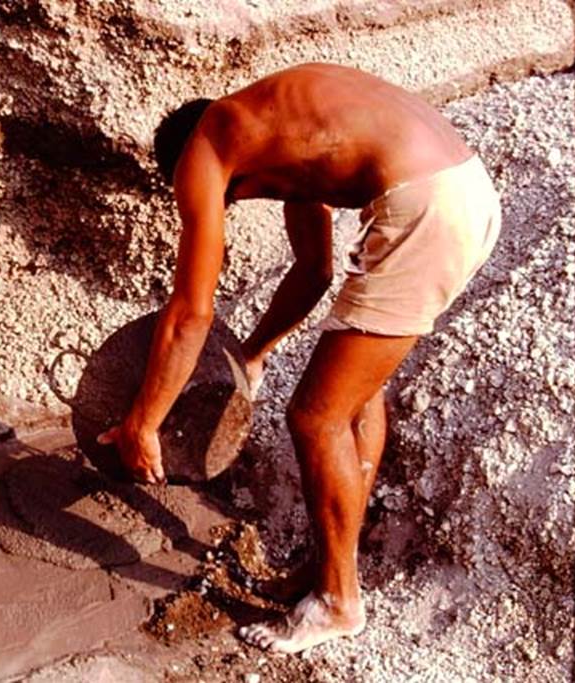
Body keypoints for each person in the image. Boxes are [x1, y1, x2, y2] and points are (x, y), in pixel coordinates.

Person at [96, 63, 501, 654]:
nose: (239, 201)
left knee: (315, 417)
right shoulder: (288, 133)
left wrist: (144, 423)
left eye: (229, 198)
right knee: (357, 395)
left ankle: (339, 602)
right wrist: (254, 354)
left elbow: (190, 313)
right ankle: (329, 573)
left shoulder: (206, 147)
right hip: (465, 191)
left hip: (423, 204)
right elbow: (315, 270)